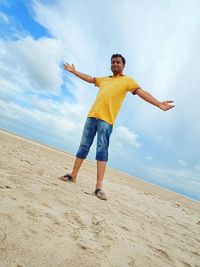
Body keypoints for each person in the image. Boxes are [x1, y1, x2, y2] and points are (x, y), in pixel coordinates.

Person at [58, 54, 175, 200]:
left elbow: (142, 92)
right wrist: (74, 72)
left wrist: (159, 103)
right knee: (83, 147)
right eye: (113, 62)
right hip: (92, 117)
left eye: (118, 62)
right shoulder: (104, 80)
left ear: (123, 65)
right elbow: (90, 78)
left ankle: (98, 187)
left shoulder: (128, 81)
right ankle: (73, 175)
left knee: (102, 152)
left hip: (106, 121)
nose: (115, 64)